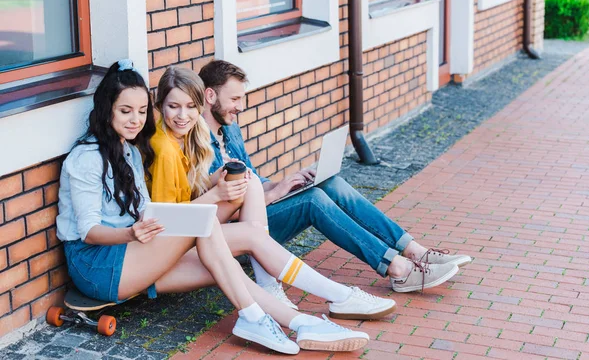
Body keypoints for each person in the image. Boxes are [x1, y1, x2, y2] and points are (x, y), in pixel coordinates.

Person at [55, 60, 367, 355]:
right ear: (106, 109)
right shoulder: (85, 158)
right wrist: (133, 233)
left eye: (140, 111)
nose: (135, 120)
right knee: (203, 224)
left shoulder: (129, 151)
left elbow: (146, 208)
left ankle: (303, 322)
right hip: (97, 266)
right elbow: (89, 232)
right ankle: (289, 310)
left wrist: (158, 220)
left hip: (135, 253)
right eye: (125, 111)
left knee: (233, 262)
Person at [199, 60, 472, 293]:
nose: (241, 107)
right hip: (240, 231)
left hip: (262, 209)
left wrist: (284, 183)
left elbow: (255, 182)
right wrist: (274, 194)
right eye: (235, 99)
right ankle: (397, 268)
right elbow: (224, 210)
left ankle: (414, 250)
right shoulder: (197, 147)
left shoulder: (230, 130)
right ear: (210, 96)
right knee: (312, 200)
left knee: (330, 182)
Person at [148, 66, 396, 323]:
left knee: (261, 180)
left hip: (201, 226)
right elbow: (171, 221)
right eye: (174, 106)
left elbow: (189, 190)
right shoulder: (167, 149)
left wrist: (229, 180)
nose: (183, 115)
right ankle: (341, 296)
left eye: (190, 107)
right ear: (160, 106)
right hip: (173, 245)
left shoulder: (190, 136)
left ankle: (402, 250)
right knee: (296, 209)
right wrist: (217, 193)